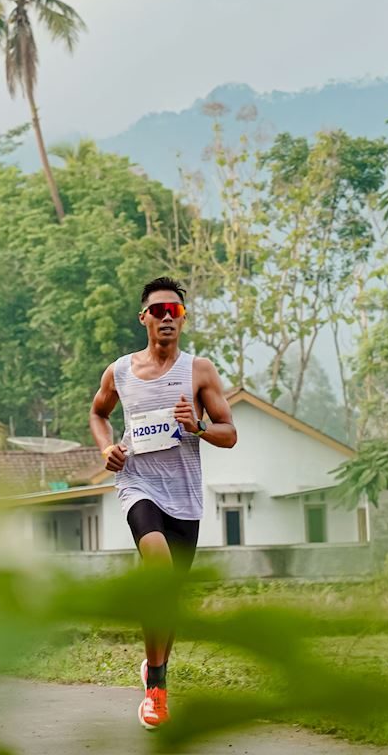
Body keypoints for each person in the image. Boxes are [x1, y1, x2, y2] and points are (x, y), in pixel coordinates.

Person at [88, 276, 238, 730]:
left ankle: (155, 667)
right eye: (159, 310)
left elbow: (229, 433)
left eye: (175, 311)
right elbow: (98, 413)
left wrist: (196, 427)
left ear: (183, 319)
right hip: (139, 486)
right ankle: (156, 689)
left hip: (185, 497)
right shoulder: (120, 371)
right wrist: (105, 448)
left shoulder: (200, 371)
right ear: (144, 318)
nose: (167, 317)